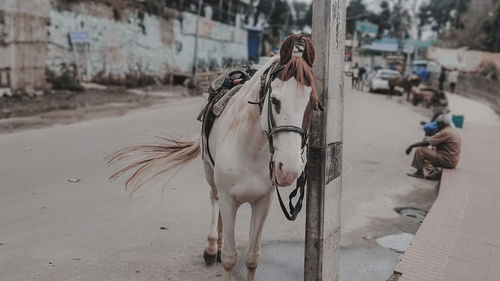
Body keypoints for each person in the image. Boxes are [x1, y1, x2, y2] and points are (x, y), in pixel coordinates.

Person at [405, 114, 461, 179]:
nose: (437, 125)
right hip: (452, 160)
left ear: (441, 123)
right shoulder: (452, 130)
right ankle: (432, 171)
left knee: (420, 150)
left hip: (447, 161)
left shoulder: (445, 132)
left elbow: (426, 143)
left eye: (438, 123)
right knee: (430, 150)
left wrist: (411, 146)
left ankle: (419, 173)